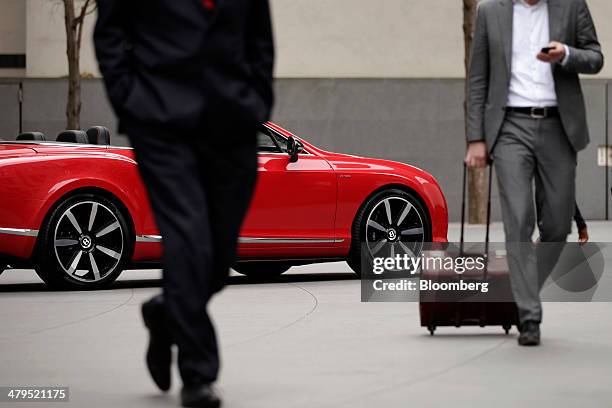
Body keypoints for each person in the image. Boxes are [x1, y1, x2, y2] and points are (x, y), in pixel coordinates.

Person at [94, 1, 274, 406]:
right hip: (160, 122)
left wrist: (257, 102)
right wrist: (129, 99)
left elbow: (259, 36)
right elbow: (109, 32)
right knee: (188, 239)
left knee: (219, 258)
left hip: (233, 123)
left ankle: (164, 312)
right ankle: (198, 373)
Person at [465, 0, 603, 346]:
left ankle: (519, 291)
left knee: (557, 226)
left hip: (559, 126)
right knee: (518, 219)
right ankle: (529, 315)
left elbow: (595, 57)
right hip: (510, 126)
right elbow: (477, 79)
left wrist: (567, 54)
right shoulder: (490, 12)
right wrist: (476, 138)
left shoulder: (571, 6)